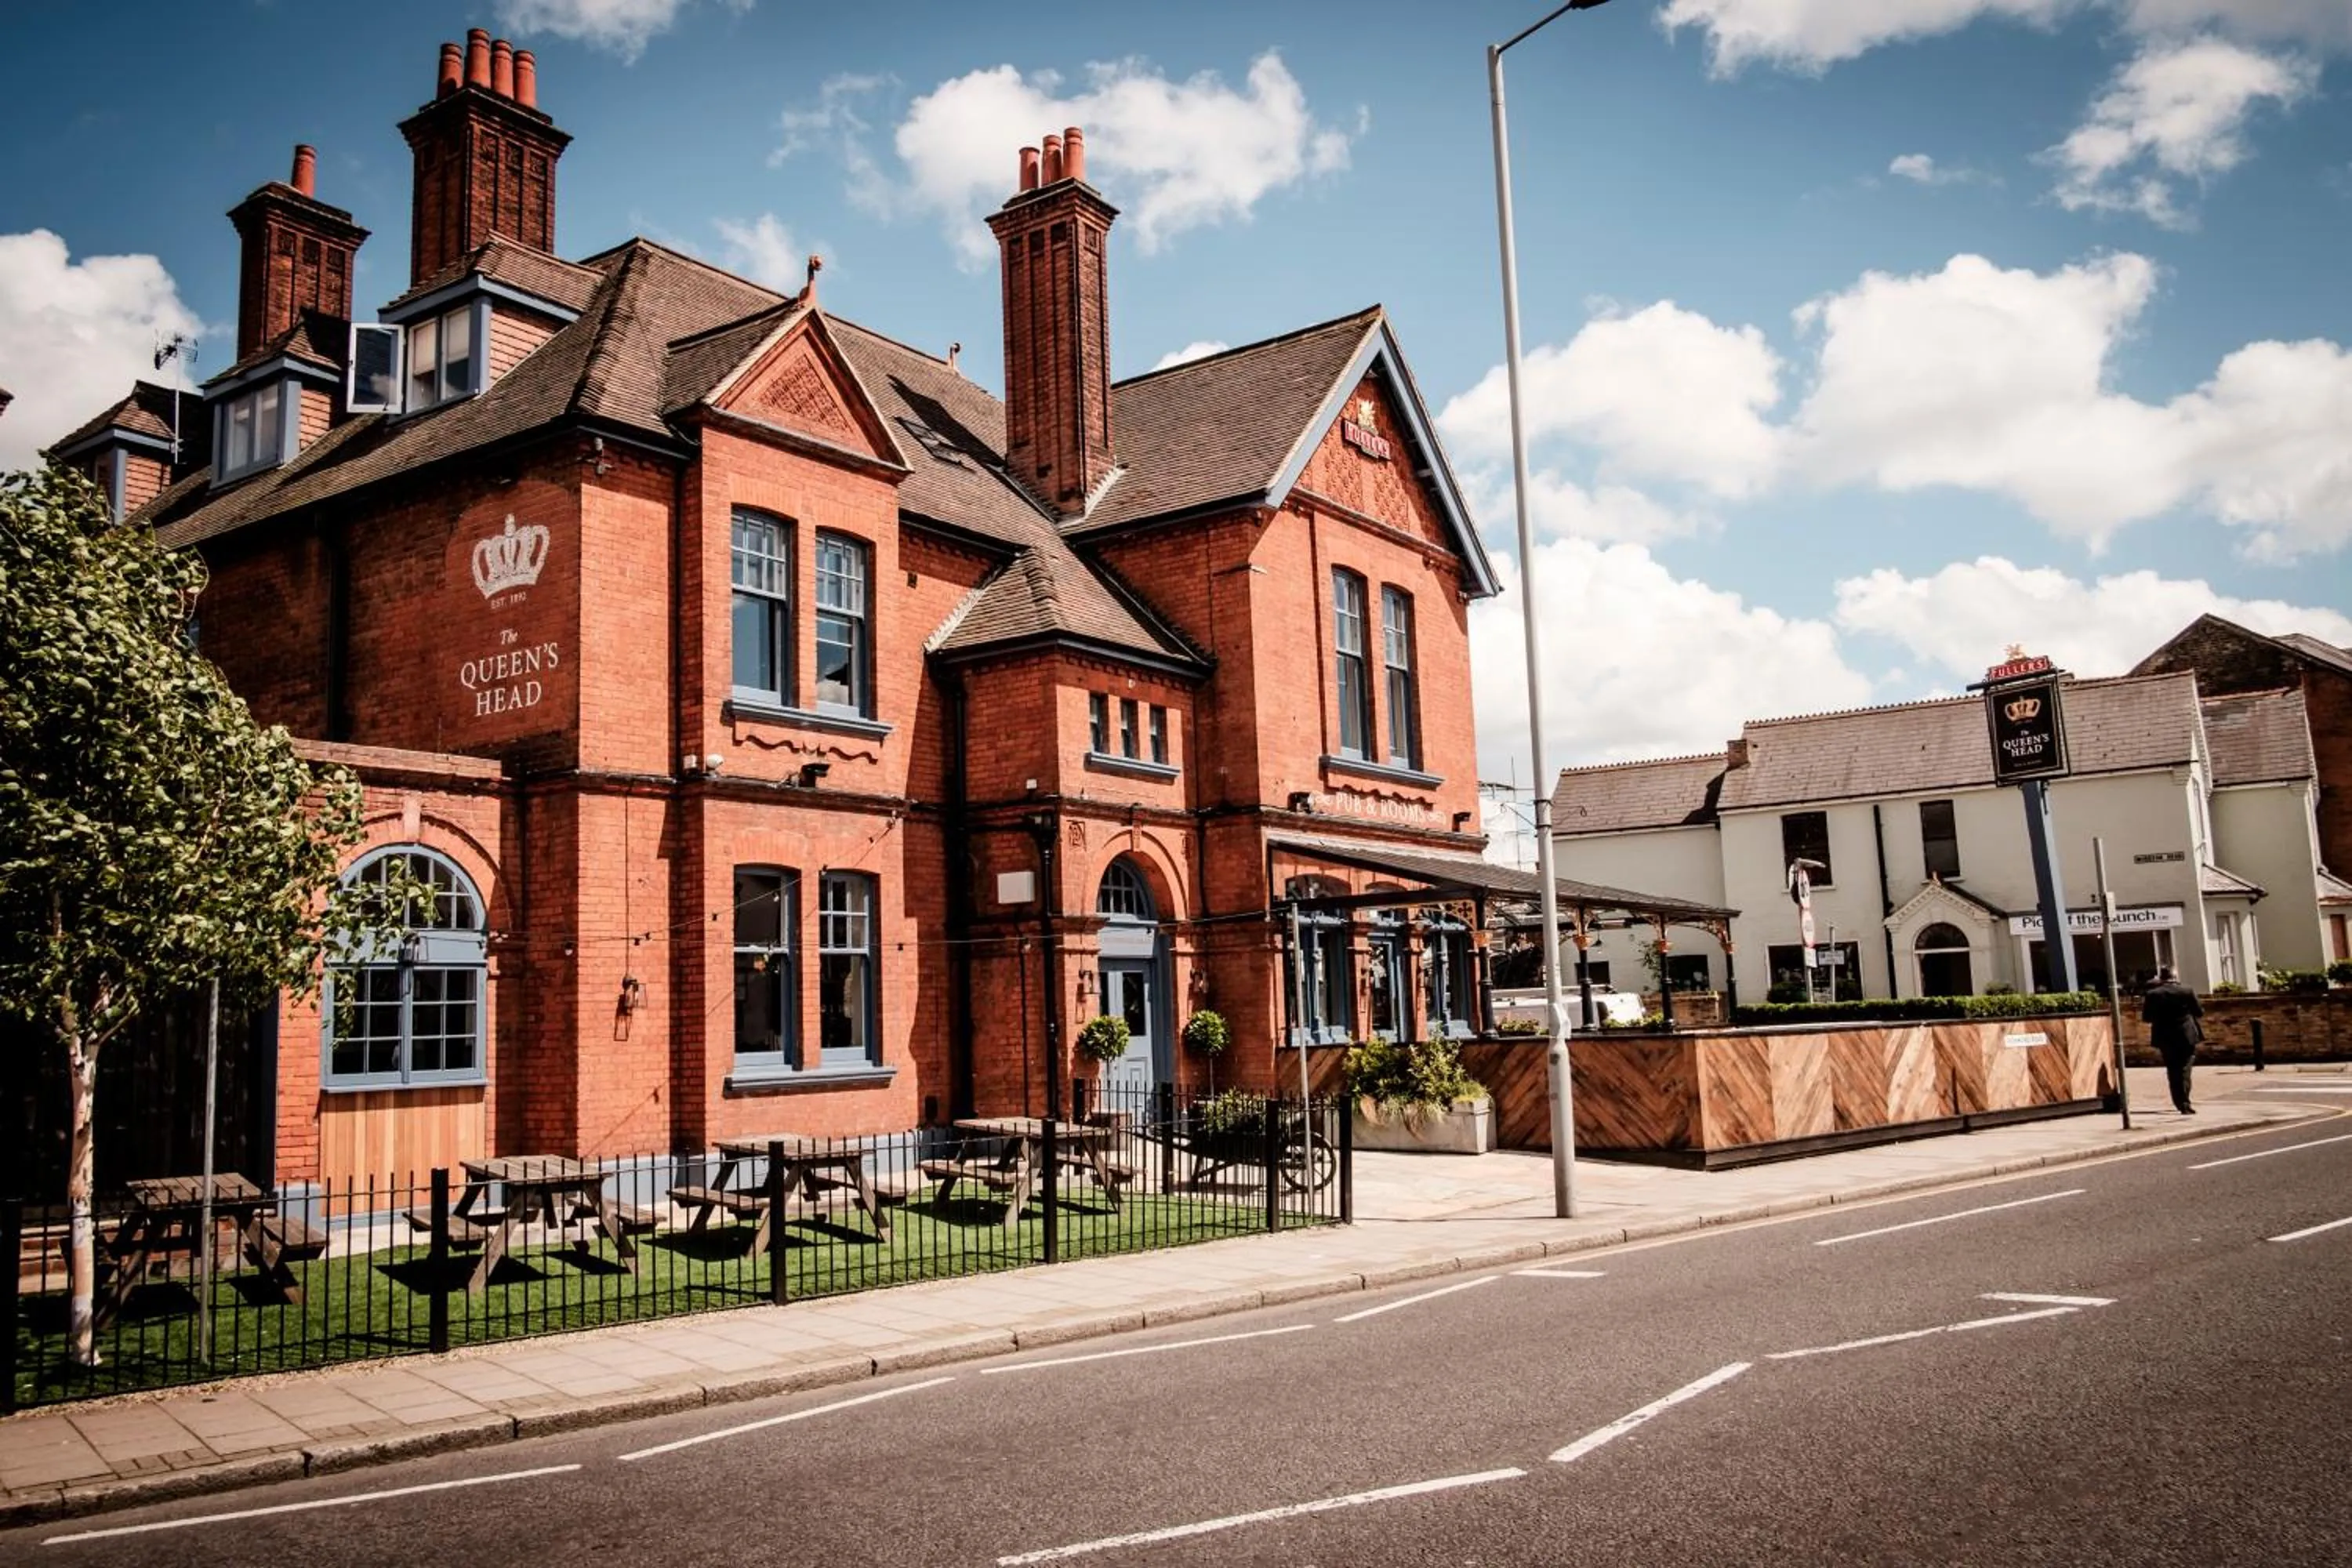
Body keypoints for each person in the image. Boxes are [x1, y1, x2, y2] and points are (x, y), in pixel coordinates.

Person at [2140, 965, 2204, 1115]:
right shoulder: (2187, 991)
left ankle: (2179, 1101)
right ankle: (2185, 1102)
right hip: (2186, 1035)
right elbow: (2199, 1012)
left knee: (2172, 1069)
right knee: (2185, 1069)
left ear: (2161, 978)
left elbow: (2146, 1018)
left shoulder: (2153, 994)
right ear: (2175, 977)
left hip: (2165, 1036)